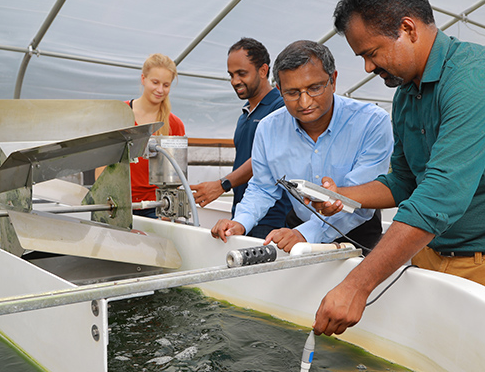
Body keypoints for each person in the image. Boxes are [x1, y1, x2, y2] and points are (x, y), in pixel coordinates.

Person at [312, 0, 485, 337]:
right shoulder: (406, 94)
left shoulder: (477, 76)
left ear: (408, 28)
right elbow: (404, 181)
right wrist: (343, 196)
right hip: (432, 252)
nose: (367, 66)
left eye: (372, 52)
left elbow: (441, 193)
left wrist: (357, 284)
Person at [210, 40, 393, 253]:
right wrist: (240, 222)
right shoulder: (269, 129)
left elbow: (359, 198)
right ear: (279, 90)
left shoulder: (371, 122)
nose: (305, 102)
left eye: (314, 88)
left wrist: (306, 234)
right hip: (298, 228)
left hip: (357, 232)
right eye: (292, 93)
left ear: (333, 81)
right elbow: (262, 188)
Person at [190, 38, 291, 239]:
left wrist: (222, 184)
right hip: (243, 216)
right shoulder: (244, 116)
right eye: (231, 75)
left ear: (263, 71)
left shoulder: (281, 109)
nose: (235, 81)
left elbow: (265, 160)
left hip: (272, 219)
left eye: (241, 74)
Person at [96, 53, 185, 218]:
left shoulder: (174, 124)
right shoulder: (119, 115)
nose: (160, 90)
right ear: (143, 79)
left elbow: (175, 175)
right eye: (155, 82)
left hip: (156, 207)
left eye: (166, 85)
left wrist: (168, 213)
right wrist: (103, 201)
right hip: (118, 204)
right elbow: (102, 163)